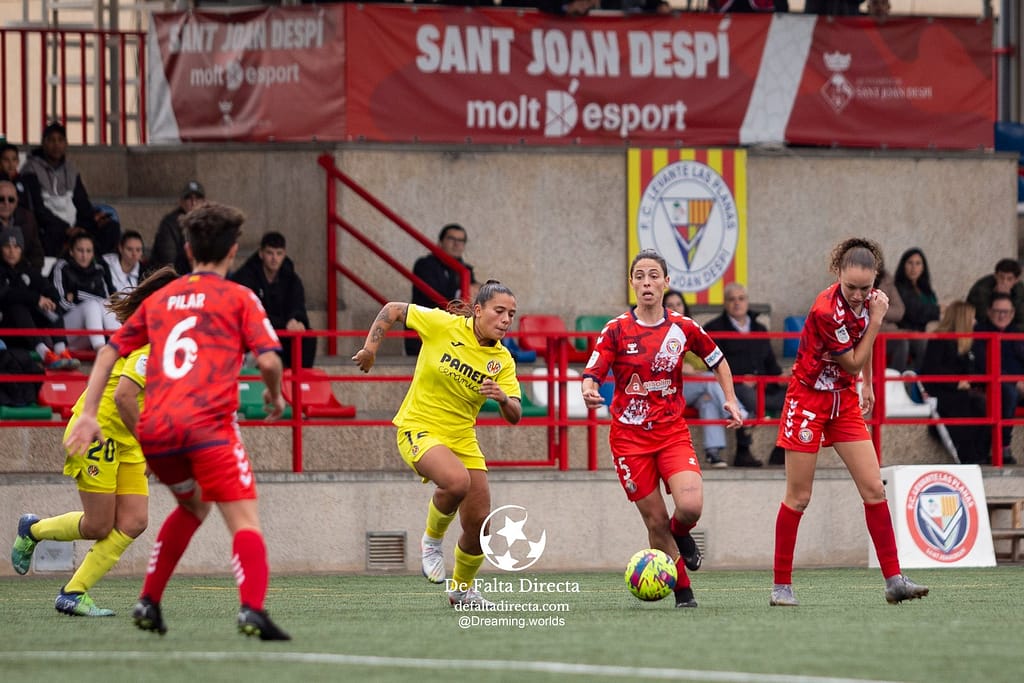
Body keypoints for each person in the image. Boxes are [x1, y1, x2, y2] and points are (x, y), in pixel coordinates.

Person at [63, 203, 291, 640]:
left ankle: (148, 601)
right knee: (244, 520)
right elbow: (268, 359)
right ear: (234, 251)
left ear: (187, 249)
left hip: (158, 434)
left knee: (193, 504)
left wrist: (89, 412)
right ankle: (252, 610)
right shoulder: (240, 297)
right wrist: (274, 395)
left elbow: (110, 350)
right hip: (208, 429)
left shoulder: (162, 298)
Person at [10, 266, 178, 616]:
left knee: (133, 521)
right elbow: (124, 399)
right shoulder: (148, 343)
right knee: (98, 524)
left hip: (128, 437)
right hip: (100, 430)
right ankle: (33, 529)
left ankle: (73, 592)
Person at [770, 237, 928, 607]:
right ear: (837, 273)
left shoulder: (868, 302)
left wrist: (869, 385)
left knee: (874, 488)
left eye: (866, 288)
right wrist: (876, 319)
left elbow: (863, 352)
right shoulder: (826, 310)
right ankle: (781, 586)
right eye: (851, 287)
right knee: (799, 496)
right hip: (808, 399)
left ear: (875, 279)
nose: (858, 295)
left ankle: (894, 579)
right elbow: (853, 359)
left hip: (843, 401)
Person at [581, 250, 744, 608]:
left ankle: (682, 534)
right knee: (655, 520)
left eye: (654, 276)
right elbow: (593, 370)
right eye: (639, 276)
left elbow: (718, 360)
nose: (647, 283)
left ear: (666, 282)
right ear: (632, 284)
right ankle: (683, 591)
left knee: (690, 506)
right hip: (629, 439)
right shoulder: (617, 329)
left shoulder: (683, 328)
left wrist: (730, 398)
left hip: (671, 432)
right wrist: (590, 388)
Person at [352, 280, 521, 608]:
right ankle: (431, 542)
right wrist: (371, 349)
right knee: (457, 482)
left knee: (480, 524)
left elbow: (515, 414)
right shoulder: (442, 325)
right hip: (418, 427)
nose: (505, 320)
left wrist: (502, 398)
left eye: (511, 315)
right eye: (499, 311)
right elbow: (392, 310)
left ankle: (461, 591)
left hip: (462, 439)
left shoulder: (502, 360)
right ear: (478, 310)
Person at [703, 282, 790, 467]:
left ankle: (781, 450)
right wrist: (742, 377)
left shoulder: (759, 329)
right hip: (736, 386)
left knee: (793, 396)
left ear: (747, 302)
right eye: (732, 299)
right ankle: (743, 452)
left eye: (741, 299)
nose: (737, 303)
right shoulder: (714, 328)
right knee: (745, 396)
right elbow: (713, 364)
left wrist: (783, 376)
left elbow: (771, 365)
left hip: (764, 386)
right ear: (725, 303)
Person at [663, 289, 748, 469]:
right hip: (669, 389)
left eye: (678, 304)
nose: (675, 308)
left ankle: (713, 453)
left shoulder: (691, 328)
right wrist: (681, 368)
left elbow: (707, 360)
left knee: (708, 400)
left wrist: (693, 370)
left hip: (695, 386)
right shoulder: (658, 329)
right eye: (670, 305)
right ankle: (740, 413)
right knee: (710, 380)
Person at [19, 121, 113, 257]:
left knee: (110, 227)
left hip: (73, 224)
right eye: (51, 140)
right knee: (51, 232)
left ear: (66, 144)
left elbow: (82, 203)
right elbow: (38, 209)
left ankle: (97, 264)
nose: (56, 144)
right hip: (50, 226)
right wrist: (66, 228)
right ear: (43, 143)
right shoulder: (31, 168)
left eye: (60, 140)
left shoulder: (70, 170)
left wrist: (89, 220)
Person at [918, 300, 991, 465]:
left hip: (962, 391)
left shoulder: (968, 344)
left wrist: (968, 381)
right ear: (962, 319)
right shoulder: (939, 341)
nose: (975, 322)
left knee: (982, 404)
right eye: (972, 318)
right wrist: (956, 382)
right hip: (942, 392)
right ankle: (969, 456)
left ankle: (980, 456)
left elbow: (973, 370)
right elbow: (932, 370)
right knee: (965, 404)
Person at [230, 231, 315, 369]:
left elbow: (298, 305)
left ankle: (301, 384)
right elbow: (247, 313)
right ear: (261, 253)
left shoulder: (291, 278)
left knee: (308, 337)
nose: (274, 258)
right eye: (270, 253)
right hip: (256, 331)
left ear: (284, 254)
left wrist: (296, 319)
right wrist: (283, 323)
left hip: (281, 330)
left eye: (279, 253)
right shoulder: (245, 276)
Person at [0, 226, 78, 369]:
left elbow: (48, 288)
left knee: (52, 305)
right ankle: (45, 354)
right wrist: (36, 298)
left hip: (28, 330)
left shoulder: (27, 268)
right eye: (7, 246)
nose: (12, 251)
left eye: (16, 246)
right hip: (8, 329)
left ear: (21, 249)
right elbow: (6, 294)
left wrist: (51, 299)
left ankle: (61, 350)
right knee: (17, 305)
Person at [406, 223, 477, 356]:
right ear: (440, 242)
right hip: (426, 332)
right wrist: (461, 296)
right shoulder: (425, 265)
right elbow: (434, 297)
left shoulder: (466, 270)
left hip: (453, 335)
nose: (456, 244)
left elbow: (473, 298)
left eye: (461, 241)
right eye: (452, 239)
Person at [971, 291, 1024, 465]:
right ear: (989, 312)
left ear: (1013, 313)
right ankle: (1003, 446)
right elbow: (982, 362)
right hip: (991, 383)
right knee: (1009, 393)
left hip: (1018, 383)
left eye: (1006, 312)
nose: (1002, 316)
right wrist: (1015, 381)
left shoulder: (1017, 333)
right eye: (997, 311)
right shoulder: (980, 332)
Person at [51, 229, 120, 352]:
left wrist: (78, 295)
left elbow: (106, 301)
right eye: (80, 250)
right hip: (64, 332)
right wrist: (84, 308)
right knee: (92, 306)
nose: (84, 255)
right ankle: (102, 351)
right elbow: (60, 303)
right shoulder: (61, 267)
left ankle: (120, 347)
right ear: (71, 252)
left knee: (104, 305)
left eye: (88, 251)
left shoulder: (99, 270)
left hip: (88, 335)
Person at [892, 248, 940, 372]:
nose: (914, 268)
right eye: (910, 263)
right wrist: (939, 311)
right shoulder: (898, 287)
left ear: (923, 267)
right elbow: (914, 312)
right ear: (903, 266)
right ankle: (918, 383)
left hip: (927, 331)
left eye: (918, 263)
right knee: (924, 343)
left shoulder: (926, 289)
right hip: (907, 331)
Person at [150, 180, 206, 276]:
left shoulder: (208, 221)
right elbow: (167, 262)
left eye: (198, 198)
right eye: (189, 198)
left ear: (204, 201)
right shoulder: (170, 224)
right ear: (181, 202)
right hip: (174, 279)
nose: (194, 202)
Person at [0, 178, 44, 272]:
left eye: (11, 199)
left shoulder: (28, 219)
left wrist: (28, 275)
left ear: (16, 202)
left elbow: (37, 255)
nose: (6, 203)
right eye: (1, 199)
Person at [967, 258, 1024, 329]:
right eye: (1001, 277)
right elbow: (981, 317)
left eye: (1009, 279)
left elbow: (1021, 318)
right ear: (995, 276)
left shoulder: (1019, 289)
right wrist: (996, 295)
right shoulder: (982, 289)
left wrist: (1007, 297)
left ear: (1016, 280)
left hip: (1010, 329)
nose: (1004, 282)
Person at [102, 230, 145, 294]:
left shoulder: (144, 272)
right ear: (120, 248)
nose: (134, 254)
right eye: (129, 249)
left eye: (138, 250)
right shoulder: (105, 264)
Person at [0, 142, 34, 212]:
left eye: (14, 159)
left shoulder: (24, 180)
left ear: (18, 161)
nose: (11, 164)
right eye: (6, 160)